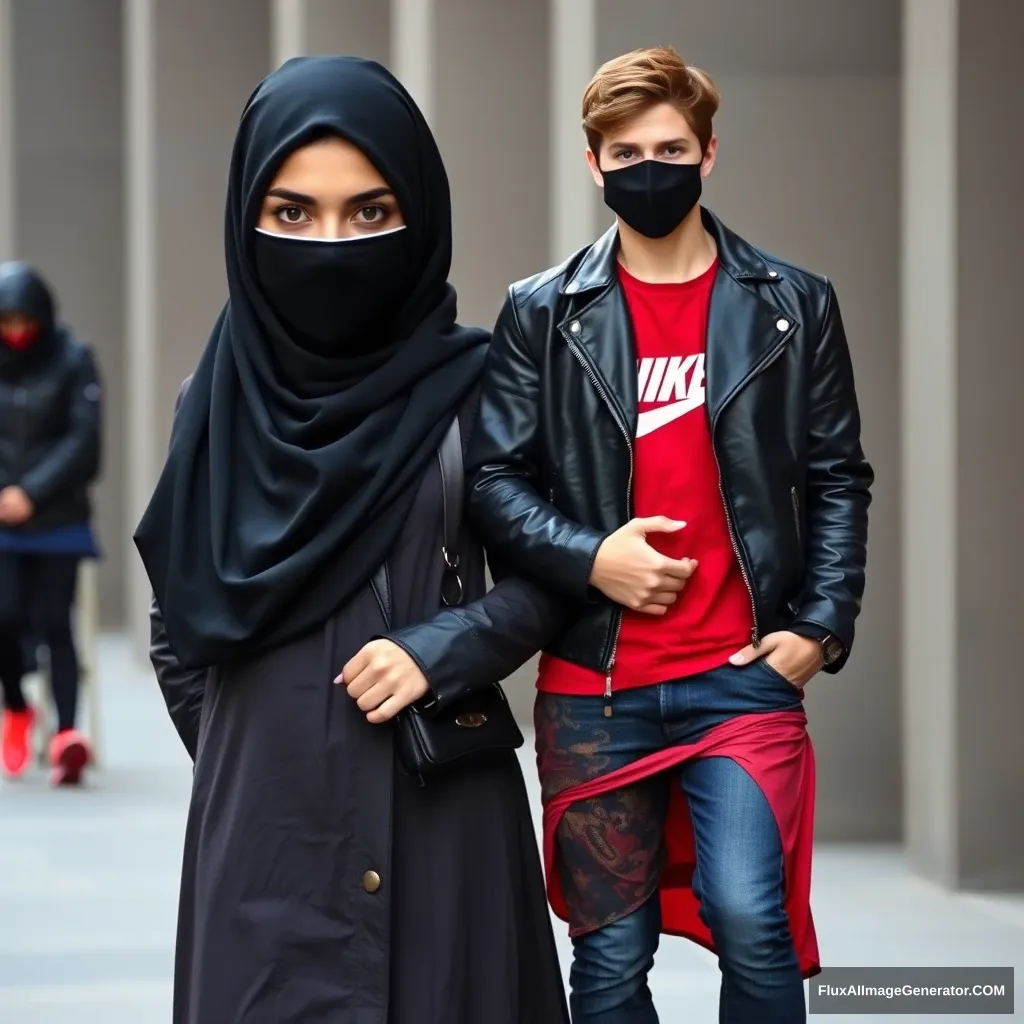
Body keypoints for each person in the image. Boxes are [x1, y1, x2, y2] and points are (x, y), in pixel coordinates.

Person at [133, 56, 570, 1024]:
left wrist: (441, 649)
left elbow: (553, 576)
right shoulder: (214, 405)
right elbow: (181, 620)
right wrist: (261, 762)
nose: (330, 244)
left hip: (440, 819)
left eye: (370, 213)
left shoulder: (481, 385)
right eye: (292, 214)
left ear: (418, 211)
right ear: (248, 221)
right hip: (265, 841)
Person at [466, 46, 873, 1024]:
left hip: (740, 677)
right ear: (592, 163)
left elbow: (835, 476)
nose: (650, 167)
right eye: (626, 151)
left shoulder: (791, 304)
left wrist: (819, 626)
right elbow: (493, 481)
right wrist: (592, 557)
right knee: (609, 959)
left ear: (709, 153)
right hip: (594, 690)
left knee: (752, 916)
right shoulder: (542, 312)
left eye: (672, 147)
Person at [0, 262, 101, 784]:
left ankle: (66, 735)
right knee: (6, 617)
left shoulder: (73, 359)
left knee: (55, 623)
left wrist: (31, 493)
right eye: (6, 323)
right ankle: (16, 708)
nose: (15, 333)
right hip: (3, 524)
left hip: (58, 519)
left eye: (24, 322)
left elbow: (85, 441)